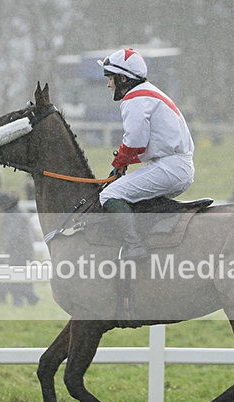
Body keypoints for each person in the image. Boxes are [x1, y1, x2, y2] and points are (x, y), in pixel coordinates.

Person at [97, 48, 194, 259]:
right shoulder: (149, 92)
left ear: (123, 78)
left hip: (169, 167)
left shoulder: (134, 98)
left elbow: (135, 142)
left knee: (109, 194)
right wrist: (123, 163)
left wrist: (118, 163)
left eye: (111, 78)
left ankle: (135, 246)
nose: (108, 84)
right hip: (176, 166)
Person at [0, 191, 39, 306]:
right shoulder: (19, 213)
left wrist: (6, 250)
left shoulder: (12, 216)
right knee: (24, 277)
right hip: (25, 250)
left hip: (17, 251)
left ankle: (20, 301)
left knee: (16, 278)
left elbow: (12, 235)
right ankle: (30, 296)